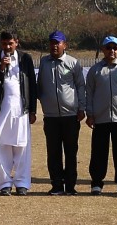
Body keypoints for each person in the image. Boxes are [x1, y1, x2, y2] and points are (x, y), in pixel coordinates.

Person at [0, 32, 39, 195]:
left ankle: (22, 183)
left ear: (17, 42)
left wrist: (32, 110)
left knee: (22, 146)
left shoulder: (25, 59)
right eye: (4, 44)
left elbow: (32, 84)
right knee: (1, 146)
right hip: (0, 109)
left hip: (20, 109)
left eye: (10, 43)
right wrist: (0, 68)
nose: (7, 47)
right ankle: (4, 184)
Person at [84, 36, 117, 194]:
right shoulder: (95, 70)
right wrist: (90, 114)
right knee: (99, 152)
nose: (112, 51)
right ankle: (97, 182)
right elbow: (89, 94)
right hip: (100, 118)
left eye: (115, 48)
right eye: (109, 48)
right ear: (103, 49)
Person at [37, 31, 86, 195]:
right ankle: (57, 185)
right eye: (52, 42)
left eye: (57, 43)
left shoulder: (73, 63)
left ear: (65, 44)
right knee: (53, 153)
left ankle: (70, 186)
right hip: (50, 117)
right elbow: (40, 86)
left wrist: (81, 108)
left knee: (71, 153)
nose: (54, 46)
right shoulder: (44, 62)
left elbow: (80, 86)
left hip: (70, 116)